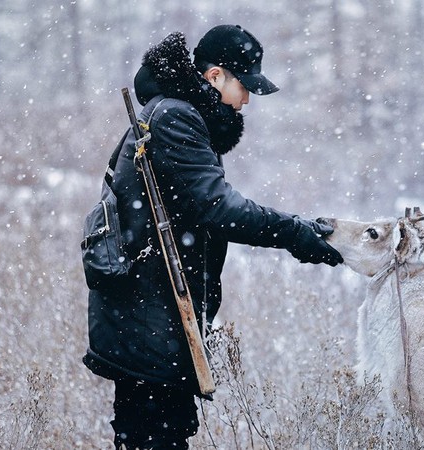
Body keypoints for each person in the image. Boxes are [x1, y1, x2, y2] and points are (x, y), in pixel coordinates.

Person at [82, 25, 343, 449]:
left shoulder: (172, 113)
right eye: (245, 87)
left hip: (148, 318)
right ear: (215, 76)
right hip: (149, 320)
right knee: (155, 438)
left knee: (155, 434)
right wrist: (295, 232)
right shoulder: (175, 117)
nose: (247, 102)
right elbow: (219, 208)